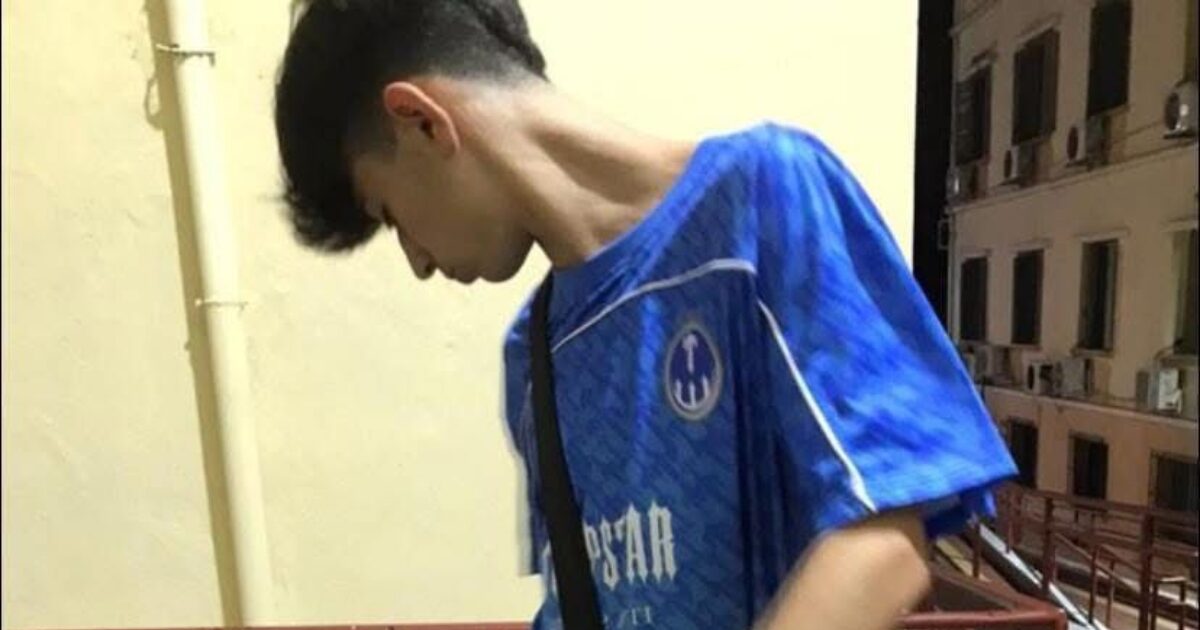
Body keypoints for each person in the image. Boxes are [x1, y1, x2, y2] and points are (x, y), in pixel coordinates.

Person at [273, 1, 1017, 628]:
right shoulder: (533, 354)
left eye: (388, 214)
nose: (417, 260)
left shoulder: (760, 200)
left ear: (421, 121)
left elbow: (885, 540)